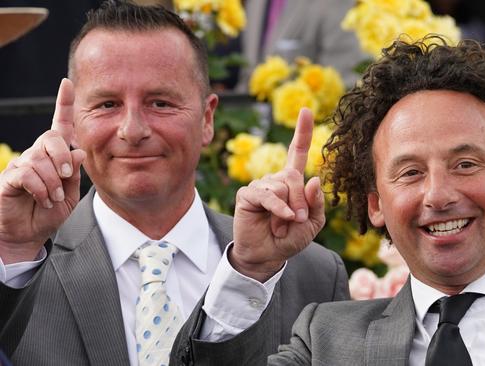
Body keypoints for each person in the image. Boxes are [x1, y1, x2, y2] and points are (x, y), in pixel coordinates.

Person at [180, 35, 485, 365]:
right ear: (376, 204)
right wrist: (250, 267)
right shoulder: (326, 342)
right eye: (410, 173)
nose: (439, 195)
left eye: (466, 164)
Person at [0, 1, 348, 365]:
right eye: (106, 105)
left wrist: (251, 274)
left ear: (207, 119)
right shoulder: (19, 267)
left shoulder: (309, 274)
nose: (132, 130)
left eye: (161, 103)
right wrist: (12, 248)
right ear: (73, 121)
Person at [234, 0, 365, 90]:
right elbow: (247, 76)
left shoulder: (336, 4)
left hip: (308, 125)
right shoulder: (255, 4)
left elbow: (347, 83)